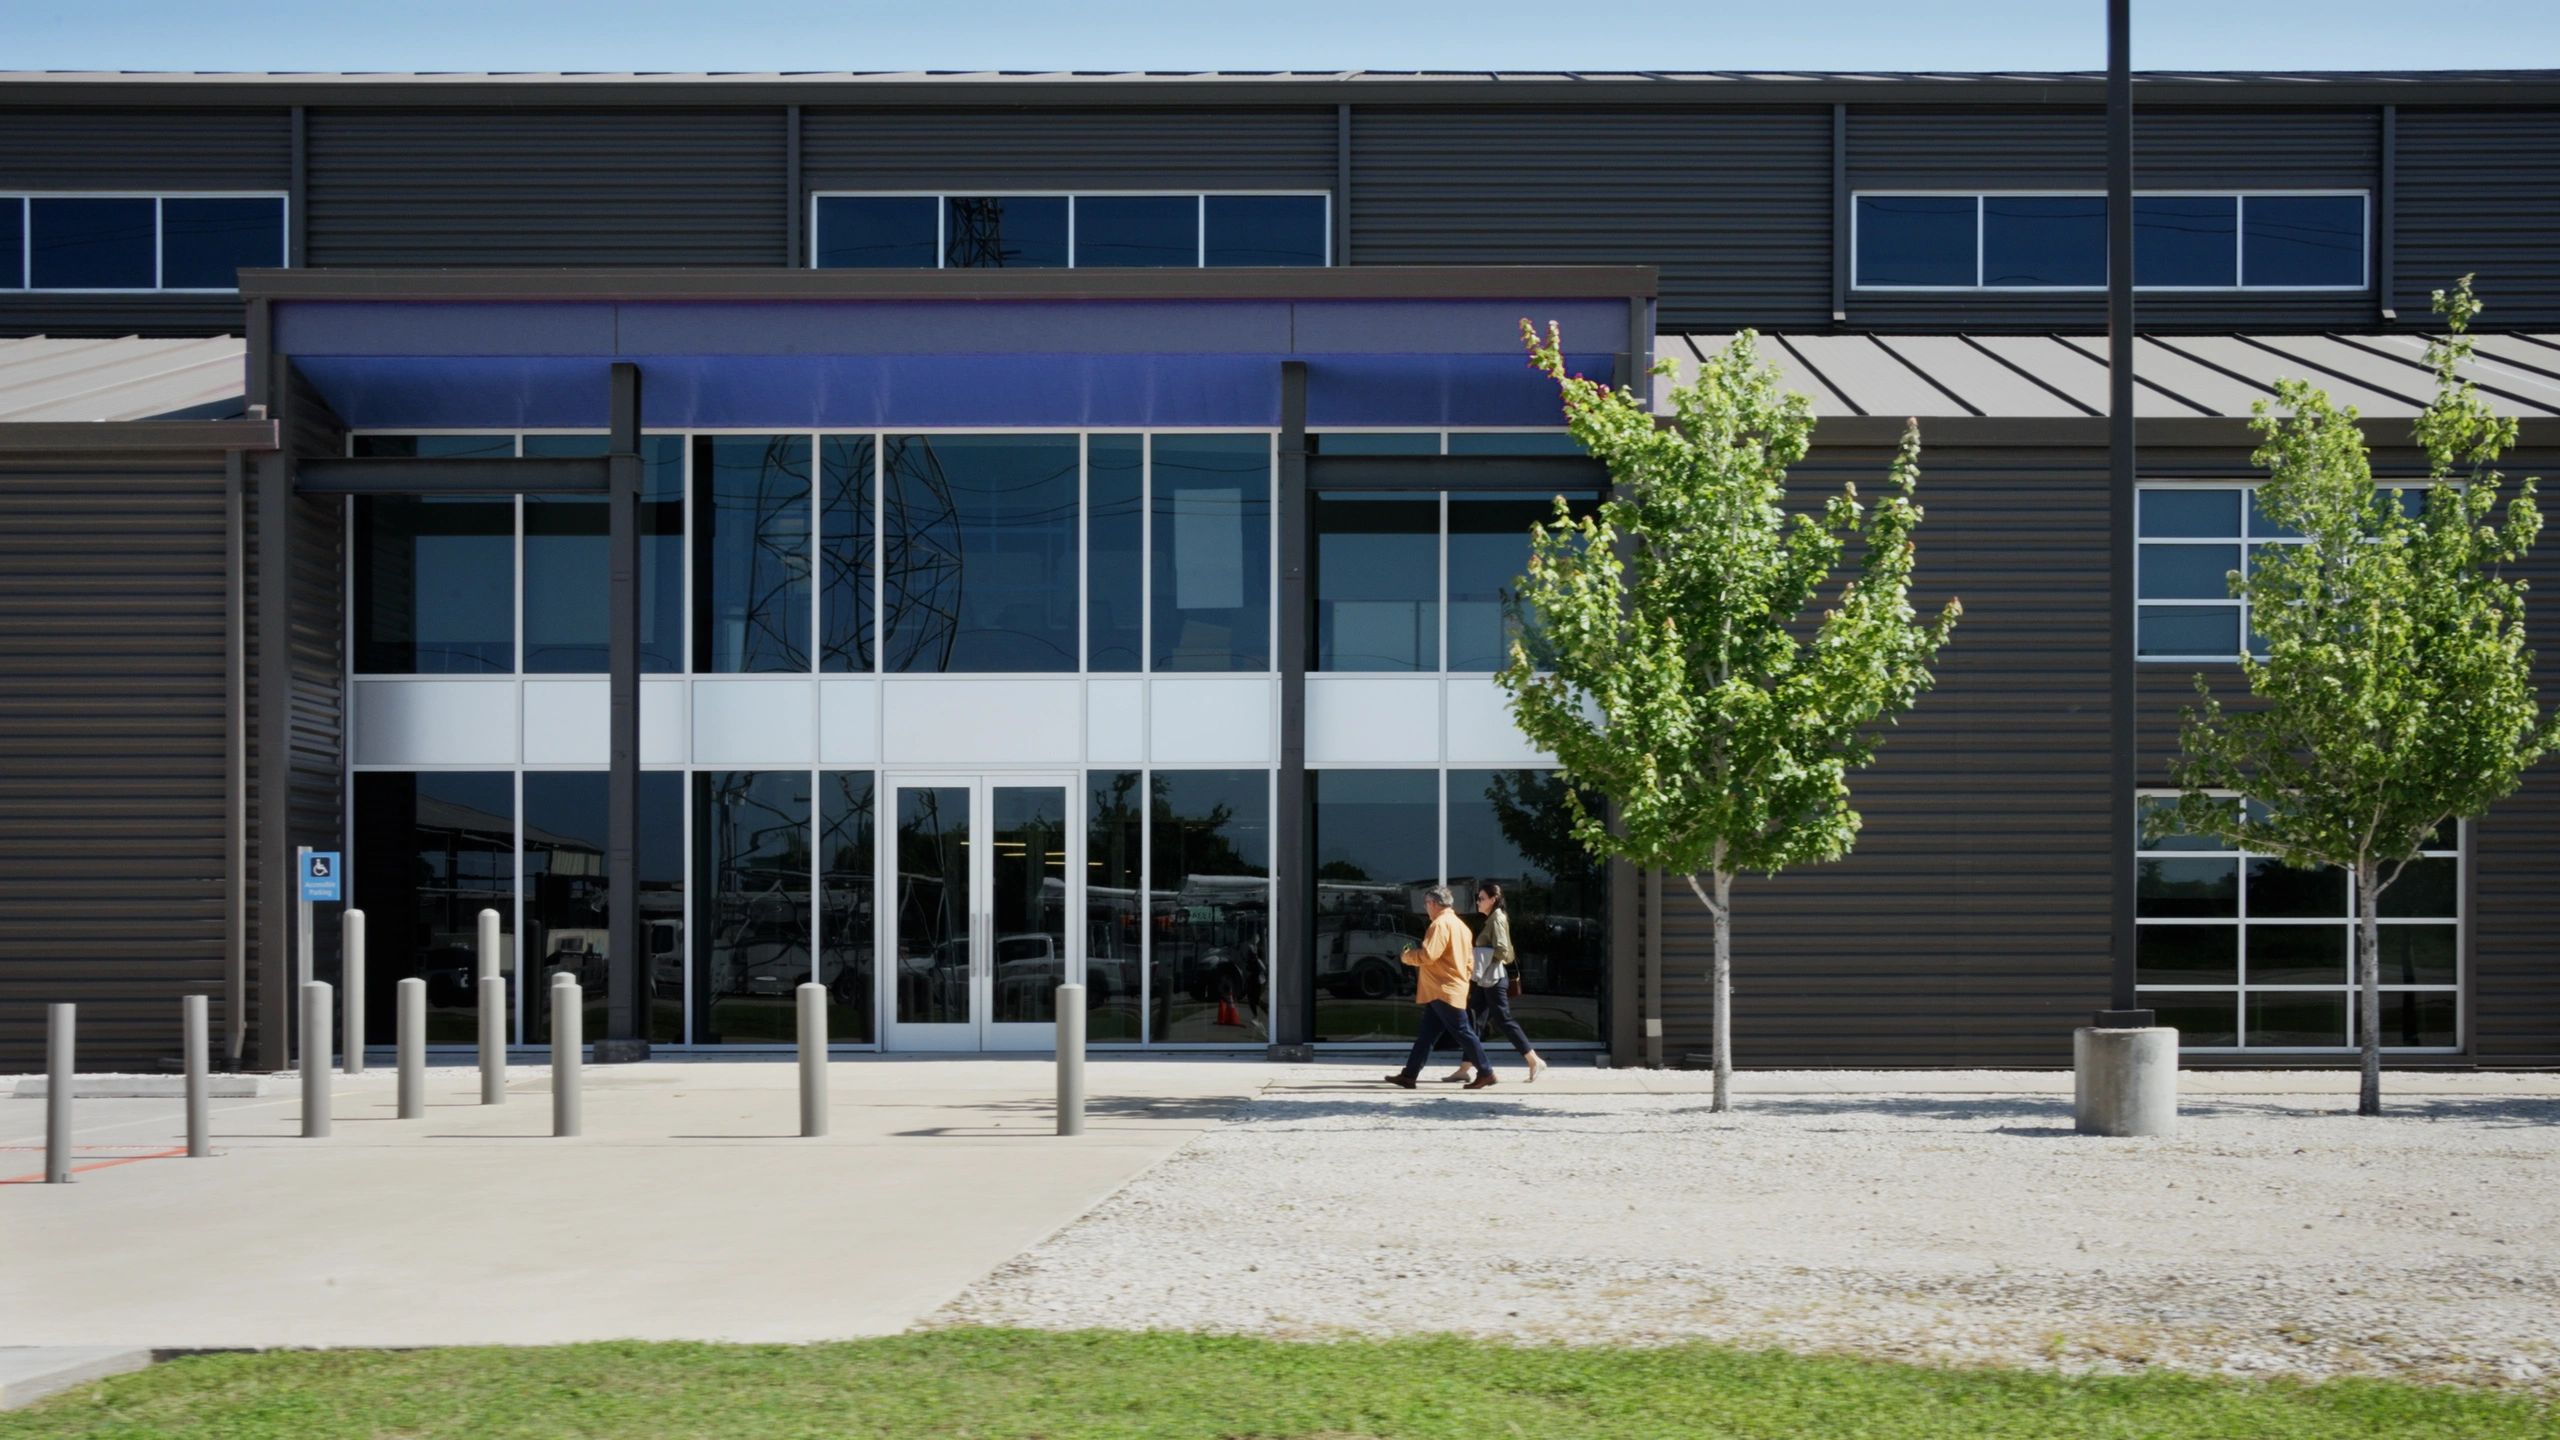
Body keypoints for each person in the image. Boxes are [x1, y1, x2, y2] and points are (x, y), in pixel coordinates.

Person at [1383, 885, 1496, 1090]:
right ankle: (1409, 1075)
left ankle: (1486, 1072)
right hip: (1450, 987)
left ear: (1434, 904)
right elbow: (1469, 961)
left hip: (1442, 988)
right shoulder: (1460, 925)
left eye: (1426, 903)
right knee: (1426, 1035)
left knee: (1463, 1031)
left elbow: (1428, 955)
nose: (1426, 908)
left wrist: (1407, 956)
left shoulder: (1440, 924)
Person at [1442, 882, 1549, 1084]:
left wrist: (1482, 957)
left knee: (1503, 1019)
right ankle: (1465, 1068)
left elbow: (1502, 951)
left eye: (1482, 898)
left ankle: (1534, 1059)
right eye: (1478, 898)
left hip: (1494, 979)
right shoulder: (1491, 919)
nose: (1478, 902)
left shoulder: (1497, 918)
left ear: (1493, 900)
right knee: (1474, 1020)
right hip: (1486, 980)